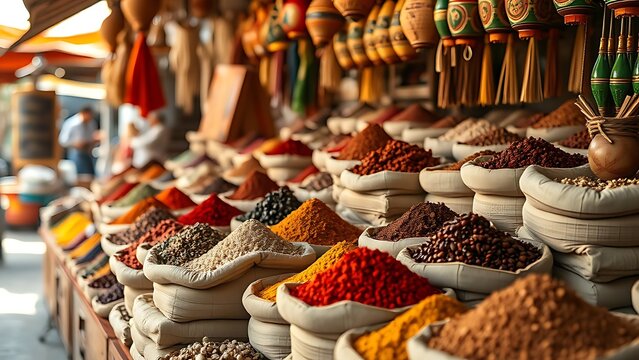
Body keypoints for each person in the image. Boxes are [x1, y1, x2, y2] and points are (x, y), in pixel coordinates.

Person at [58, 106, 98, 175]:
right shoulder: (72, 123)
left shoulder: (92, 123)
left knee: (90, 174)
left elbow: (92, 136)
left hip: (88, 151)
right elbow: (62, 140)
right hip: (75, 152)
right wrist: (75, 143)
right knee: (78, 174)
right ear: (83, 113)